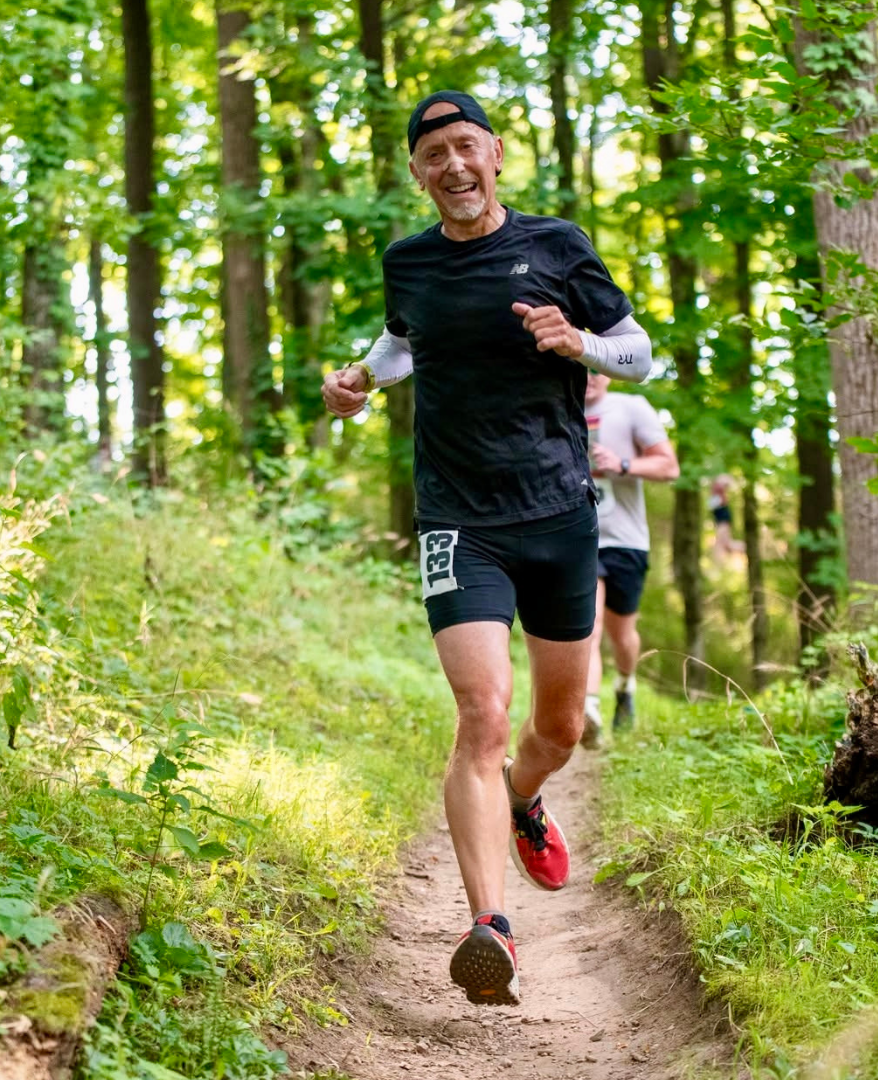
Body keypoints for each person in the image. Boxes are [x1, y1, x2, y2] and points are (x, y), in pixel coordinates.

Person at [321, 90, 651, 1007]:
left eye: (467, 147)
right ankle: (489, 928)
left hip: (559, 516)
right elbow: (402, 343)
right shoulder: (408, 261)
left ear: (496, 154)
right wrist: (360, 380)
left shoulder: (558, 246)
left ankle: (521, 798)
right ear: (417, 172)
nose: (454, 166)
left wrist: (578, 342)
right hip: (456, 520)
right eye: (435, 155)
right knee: (481, 714)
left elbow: (640, 354)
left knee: (558, 730)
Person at [580, 373, 679, 747]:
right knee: (589, 625)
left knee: (622, 636)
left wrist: (623, 464)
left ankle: (625, 684)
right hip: (580, 538)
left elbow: (669, 467)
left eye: (595, 368)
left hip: (626, 541)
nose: (588, 376)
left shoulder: (630, 407)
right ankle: (589, 710)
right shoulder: (557, 406)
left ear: (607, 371)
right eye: (580, 366)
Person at [708, 474, 745, 562]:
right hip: (721, 520)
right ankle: (744, 547)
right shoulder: (716, 496)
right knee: (726, 543)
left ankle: (745, 547)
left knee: (722, 542)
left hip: (723, 520)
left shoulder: (720, 495)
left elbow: (725, 483)